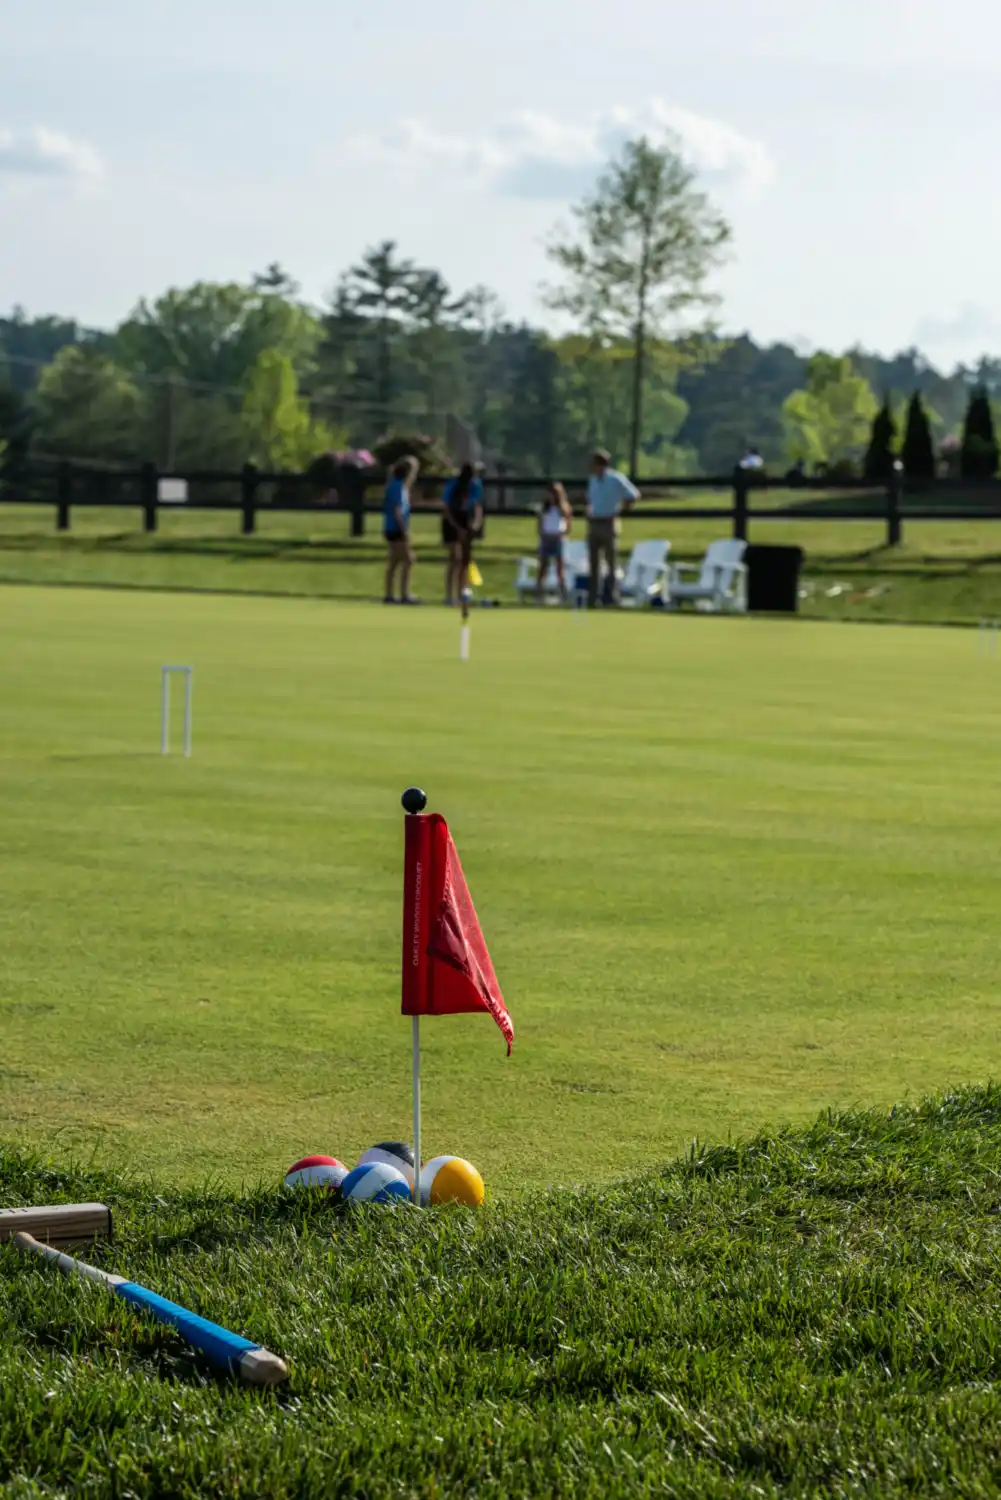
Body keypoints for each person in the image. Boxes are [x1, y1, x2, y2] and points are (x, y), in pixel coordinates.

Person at [586, 449, 639, 607]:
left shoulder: (615, 478)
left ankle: (612, 597)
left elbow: (633, 494)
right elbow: (591, 499)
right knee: (593, 563)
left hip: (609, 522)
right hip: (594, 522)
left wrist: (622, 510)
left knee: (611, 562)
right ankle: (593, 598)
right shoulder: (593, 480)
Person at [441, 463, 484, 606]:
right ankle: (449, 596)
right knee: (455, 558)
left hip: (467, 520)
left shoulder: (475, 485)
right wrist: (457, 528)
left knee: (465, 560)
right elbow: (446, 508)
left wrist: (476, 523)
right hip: (452, 520)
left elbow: (477, 505)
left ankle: (462, 594)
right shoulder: (453, 484)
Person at [382, 456, 419, 604]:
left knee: (395, 562)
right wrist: (404, 530)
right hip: (396, 528)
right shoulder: (397, 487)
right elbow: (397, 510)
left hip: (392, 527)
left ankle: (389, 595)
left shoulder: (398, 486)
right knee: (408, 560)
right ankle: (404, 594)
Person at [536, 482, 572, 603]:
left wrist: (563, 533)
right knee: (543, 567)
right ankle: (539, 594)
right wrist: (541, 534)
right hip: (546, 538)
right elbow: (540, 523)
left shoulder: (563, 508)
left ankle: (563, 594)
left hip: (558, 538)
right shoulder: (544, 508)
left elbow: (568, 524)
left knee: (559, 568)